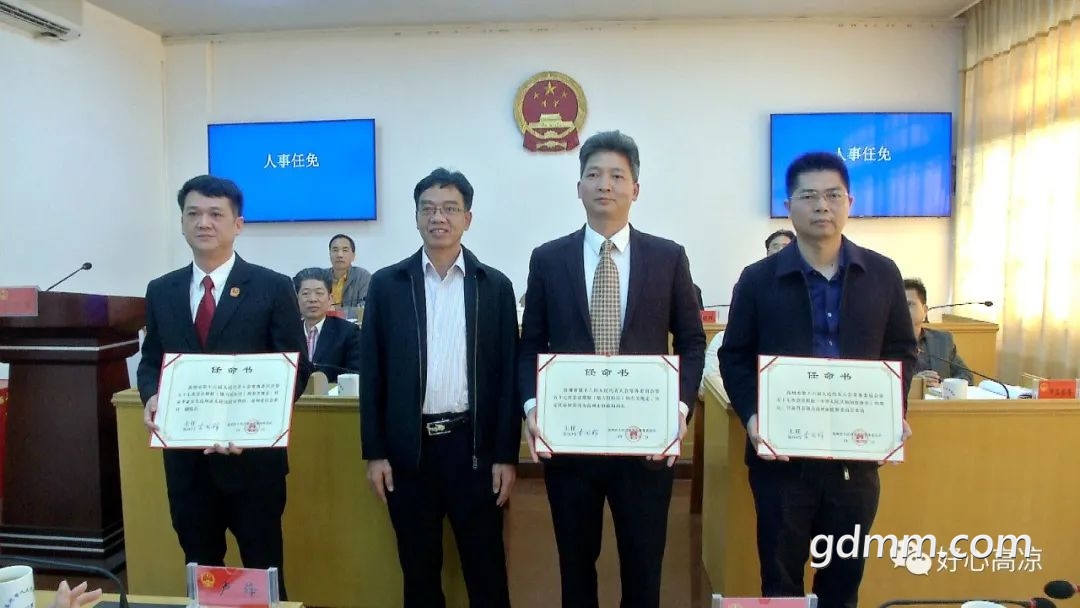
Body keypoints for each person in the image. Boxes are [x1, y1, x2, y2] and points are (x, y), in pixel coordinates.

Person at [719, 152, 916, 608]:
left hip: (855, 463)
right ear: (789, 205)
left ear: (850, 202)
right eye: (808, 196)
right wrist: (753, 416)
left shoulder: (882, 274)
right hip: (782, 463)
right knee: (780, 580)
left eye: (832, 195)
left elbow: (901, 350)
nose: (821, 206)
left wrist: (893, 409)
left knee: (843, 583)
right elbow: (735, 357)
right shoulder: (758, 279)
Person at [518, 130, 706, 608]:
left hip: (645, 443)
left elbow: (691, 341)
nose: (605, 185)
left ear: (635, 189)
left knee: (643, 570)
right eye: (594, 174)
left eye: (617, 176)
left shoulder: (668, 257)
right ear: (578, 187)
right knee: (575, 567)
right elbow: (530, 344)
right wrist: (533, 406)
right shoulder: (548, 259)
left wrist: (679, 407)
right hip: (570, 442)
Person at [137, 175, 312, 600]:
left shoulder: (272, 286)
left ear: (238, 224)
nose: (204, 223)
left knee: (263, 572)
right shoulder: (161, 290)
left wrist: (251, 424)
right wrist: (152, 396)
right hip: (188, 466)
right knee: (202, 572)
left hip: (253, 465)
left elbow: (296, 369)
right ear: (182, 223)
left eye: (216, 214)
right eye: (193, 214)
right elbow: (151, 360)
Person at [359, 168, 520, 607]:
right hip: (409, 453)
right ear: (416, 217)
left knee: (486, 570)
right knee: (419, 572)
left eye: (450, 208)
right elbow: (372, 373)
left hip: (474, 451)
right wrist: (375, 452)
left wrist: (506, 455)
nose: (438, 217)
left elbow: (508, 377)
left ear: (468, 218)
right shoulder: (388, 285)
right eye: (428, 209)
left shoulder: (494, 286)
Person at [700, 229, 793, 398]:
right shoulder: (752, 280)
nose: (780, 250)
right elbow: (709, 385)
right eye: (775, 246)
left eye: (786, 246)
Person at [293, 267, 362, 382]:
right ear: (296, 299)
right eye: (305, 293)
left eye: (319, 293)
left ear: (330, 299)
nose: (312, 299)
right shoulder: (288, 333)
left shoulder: (349, 332)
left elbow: (356, 375)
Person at [904, 277, 974, 387]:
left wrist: (942, 385)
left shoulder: (942, 340)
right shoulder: (884, 342)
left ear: (925, 310)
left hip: (938, 396)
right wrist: (917, 382)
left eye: (909, 304)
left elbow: (966, 375)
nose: (902, 309)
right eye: (899, 305)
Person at [325, 234, 372, 318]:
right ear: (329, 254)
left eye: (345, 250)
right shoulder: (321, 277)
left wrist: (336, 312)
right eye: (335, 250)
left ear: (353, 256)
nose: (339, 255)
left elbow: (366, 308)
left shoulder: (363, 276)